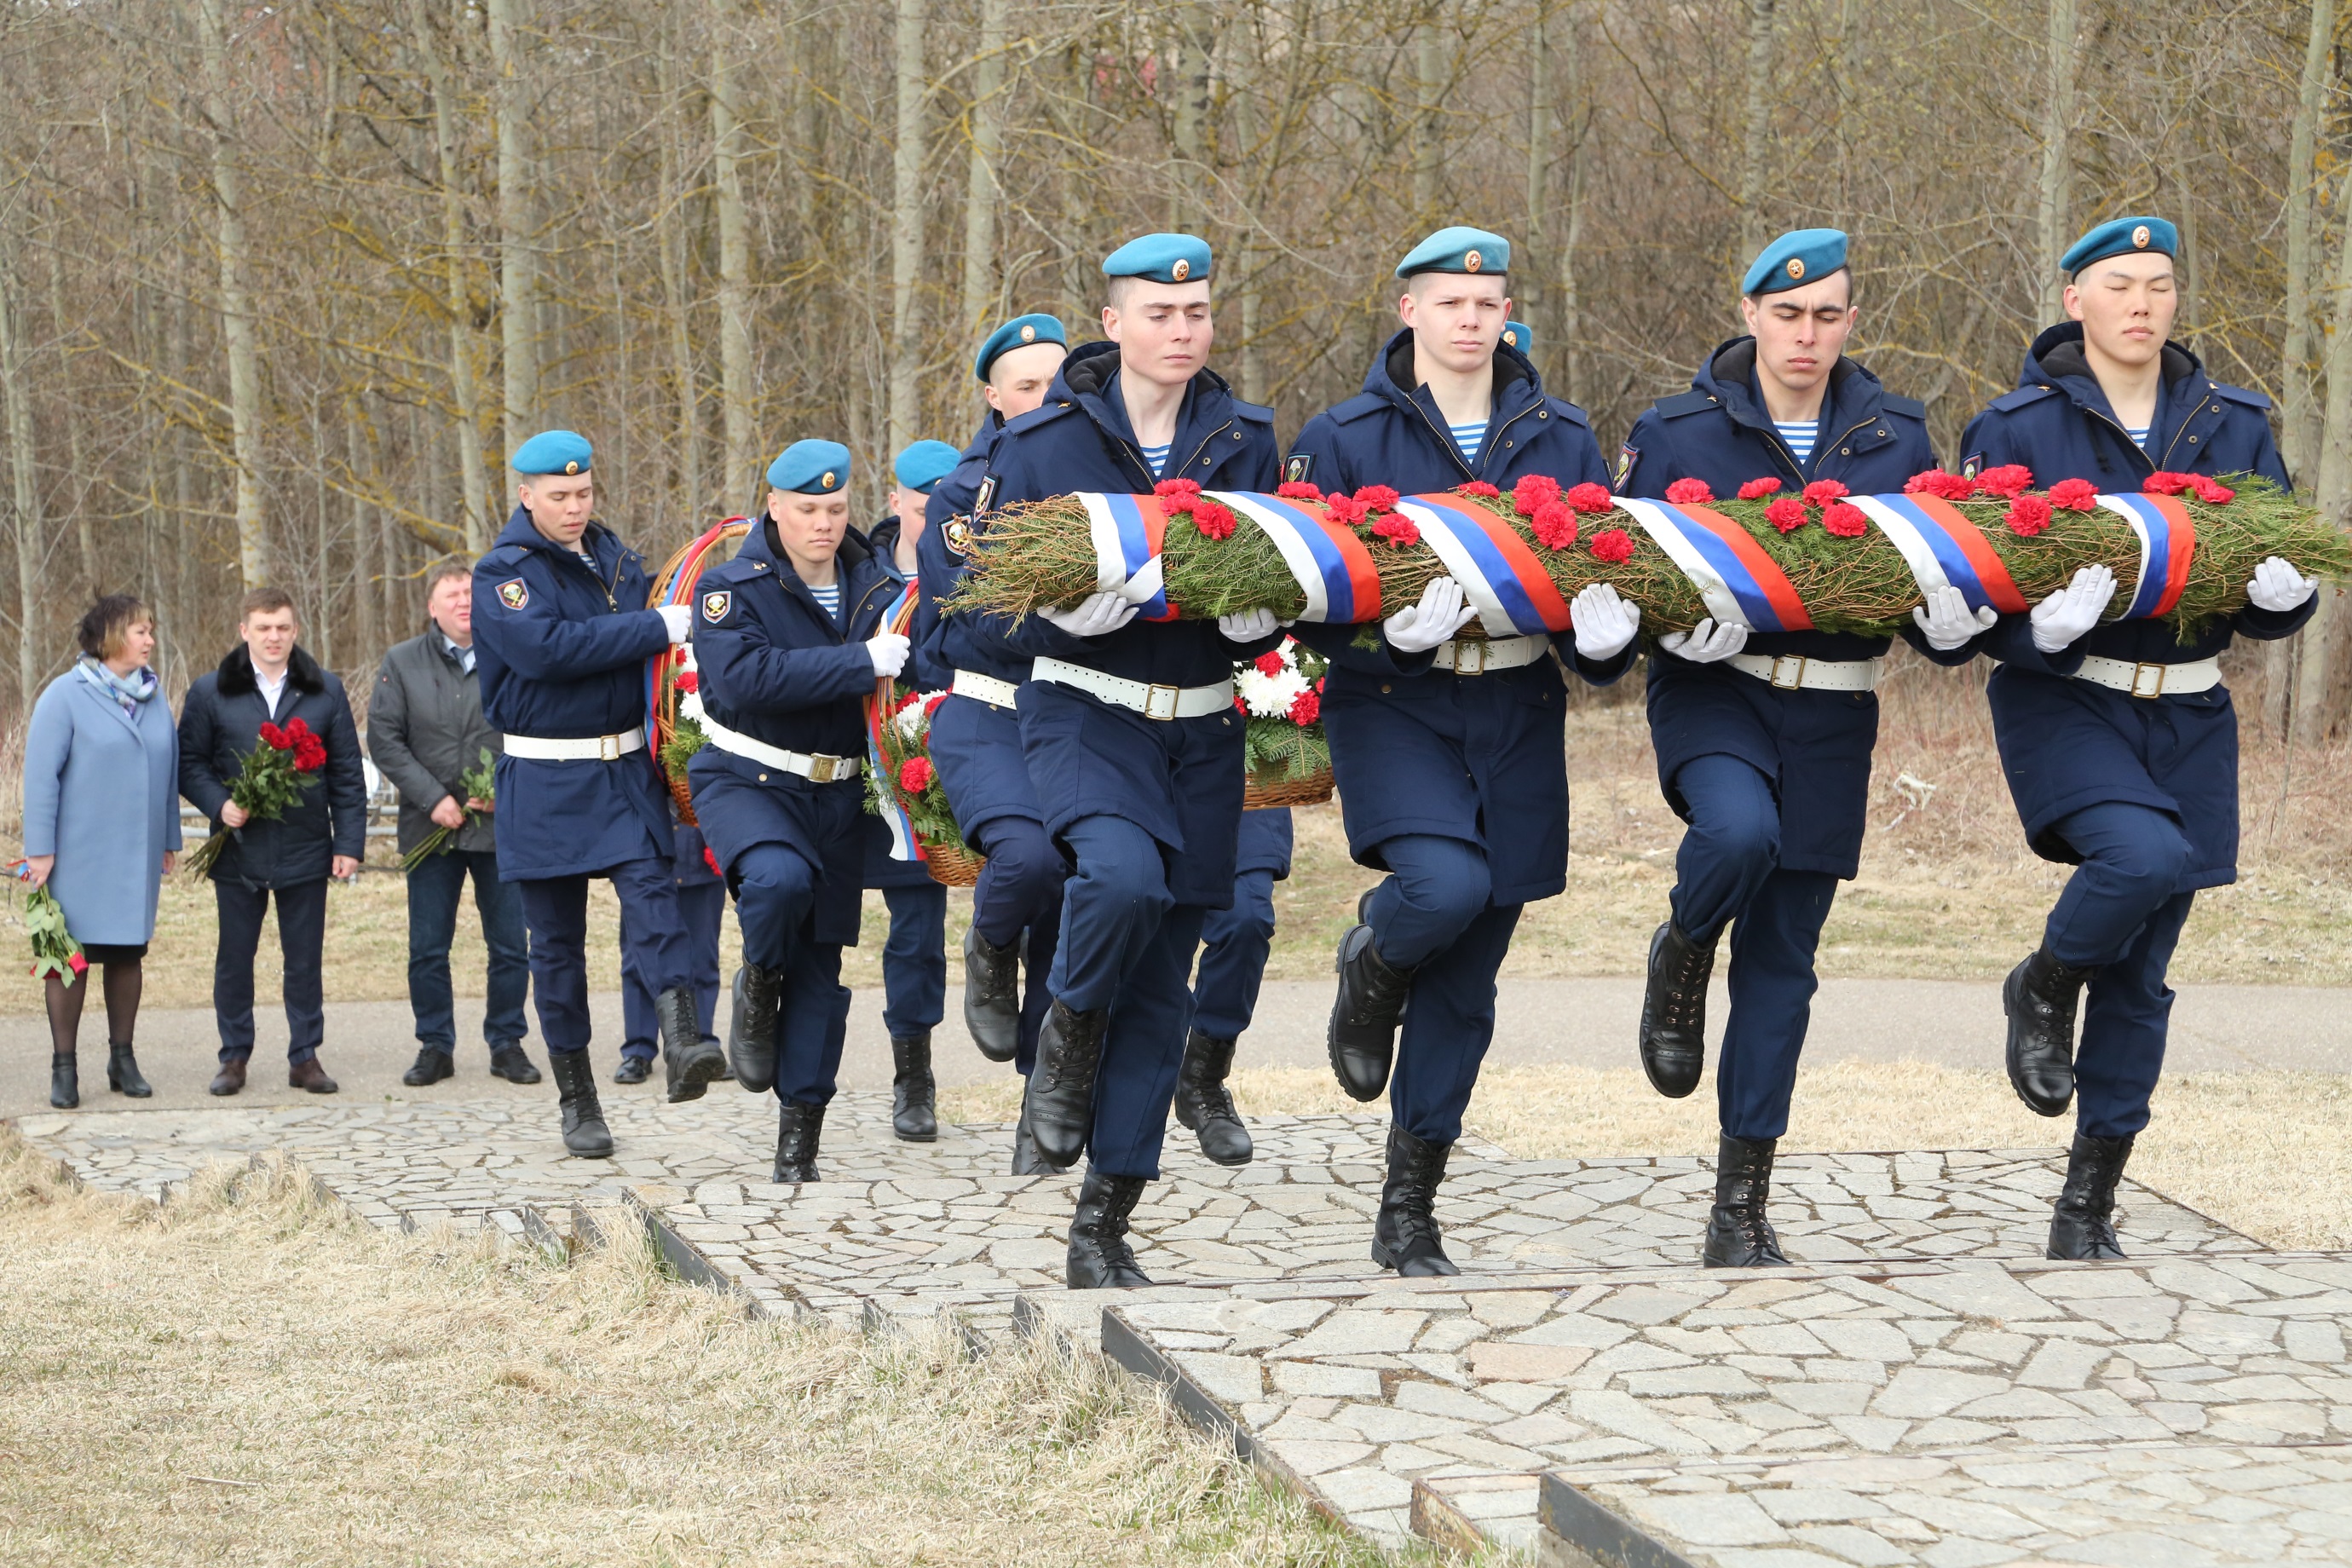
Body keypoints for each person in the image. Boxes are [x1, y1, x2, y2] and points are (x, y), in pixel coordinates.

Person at [1617, 228, 1980, 1268]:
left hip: (1832, 712)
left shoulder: (1895, 436)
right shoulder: (1678, 432)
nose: (1806, 334)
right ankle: (1685, 945)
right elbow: (1618, 568)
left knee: (1783, 965)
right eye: (1787, 314)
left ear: (1851, 320)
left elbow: (1934, 578)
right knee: (1737, 834)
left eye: (1826, 315)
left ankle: (1739, 1206)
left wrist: (1955, 624)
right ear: (1750, 316)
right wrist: (1663, 627)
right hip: (1716, 690)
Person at [1286, 226, 1641, 1276]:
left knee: (1472, 978)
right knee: (1444, 886)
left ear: (1508, 315)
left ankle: (1409, 1208)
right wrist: (1378, 635)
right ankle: (1374, 955)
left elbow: (1600, 575)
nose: (1470, 319)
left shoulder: (1560, 435)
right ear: (1410, 311)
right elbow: (1298, 592)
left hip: (1518, 707)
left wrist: (1607, 647)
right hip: (1394, 698)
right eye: (1450, 302)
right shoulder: (1344, 436)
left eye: (1488, 303)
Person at [1958, 216, 2315, 1260]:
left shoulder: (2233, 423)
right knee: (2143, 856)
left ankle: (2088, 1203)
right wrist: (2038, 629)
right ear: (2076, 300)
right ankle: (2042, 981)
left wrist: (2286, 598)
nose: (2143, 303)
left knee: (2145, 968)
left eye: (2160, 284)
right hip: (2068, 696)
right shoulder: (2018, 428)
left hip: (2191, 709)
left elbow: (2275, 577)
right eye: (2120, 285)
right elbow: (1968, 589)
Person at [970, 233, 1283, 1287]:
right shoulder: (1043, 443)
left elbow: (1273, 579)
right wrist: (1056, 614)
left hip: (1202, 729)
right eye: (1160, 313)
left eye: (1197, 312)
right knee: (1118, 878)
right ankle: (1064, 1033)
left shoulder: (1244, 438)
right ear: (1113, 324)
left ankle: (1103, 1226)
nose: (1182, 330)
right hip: (1086, 715)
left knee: (1161, 987)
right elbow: (980, 614)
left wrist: (1260, 620)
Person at [473, 429, 713, 1157]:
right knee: (556, 948)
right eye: (559, 496)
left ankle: (683, 1040)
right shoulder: (504, 573)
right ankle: (578, 1099)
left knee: (655, 900)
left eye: (582, 492)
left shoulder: (615, 559)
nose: (575, 506)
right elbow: (546, 651)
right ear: (526, 496)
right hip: (545, 778)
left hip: (623, 770)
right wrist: (652, 627)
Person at [693, 440, 905, 1181]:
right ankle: (757, 979)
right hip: (748, 779)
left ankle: (799, 1146)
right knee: (777, 882)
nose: (824, 523)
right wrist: (860, 662)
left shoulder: (879, 586)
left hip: (838, 792)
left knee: (821, 967)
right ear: (774, 507)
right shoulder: (730, 588)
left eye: (836, 508)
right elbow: (746, 679)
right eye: (808, 509)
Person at [915, 312, 1071, 1137]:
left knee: (1075, 904)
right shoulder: (962, 495)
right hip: (991, 712)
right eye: (1027, 385)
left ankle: (1043, 1108)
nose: (1045, 398)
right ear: (994, 397)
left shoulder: (1101, 479)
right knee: (1029, 857)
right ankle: (989, 945)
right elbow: (977, 612)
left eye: (1059, 383)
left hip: (1079, 716)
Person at [178, 588, 366, 1097]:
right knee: (234, 958)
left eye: (282, 627)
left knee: (304, 960)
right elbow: (189, 763)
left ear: (295, 630)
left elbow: (347, 774)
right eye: (263, 628)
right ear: (244, 631)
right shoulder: (211, 691)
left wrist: (349, 844)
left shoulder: (324, 690)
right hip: (238, 849)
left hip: (306, 846)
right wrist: (220, 804)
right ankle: (233, 1056)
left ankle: (305, 1056)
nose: (273, 637)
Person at [370, 560, 537, 1088]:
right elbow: (385, 741)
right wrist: (432, 798)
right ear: (432, 606)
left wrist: (505, 790)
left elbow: (534, 728)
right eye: (453, 595)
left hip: (499, 828)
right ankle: (435, 1046)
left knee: (509, 945)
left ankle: (507, 1043)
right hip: (430, 829)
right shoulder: (401, 662)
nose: (464, 602)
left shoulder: (510, 655)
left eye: (470, 593)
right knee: (428, 947)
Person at [21, 595, 180, 1110]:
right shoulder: (64, 696)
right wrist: (39, 851)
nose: (150, 640)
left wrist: (169, 839)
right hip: (77, 856)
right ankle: (64, 1067)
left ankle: (122, 1059)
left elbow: (168, 773)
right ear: (111, 637)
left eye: (150, 630)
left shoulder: (153, 697)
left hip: (136, 855)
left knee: (126, 954)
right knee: (69, 959)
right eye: (140, 631)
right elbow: (40, 778)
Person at [862, 439, 960, 1141]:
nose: (936, 525)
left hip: (955, 763)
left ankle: (919, 1076)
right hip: (872, 772)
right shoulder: (859, 575)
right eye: (924, 510)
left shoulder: (973, 569)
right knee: (901, 931)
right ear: (896, 502)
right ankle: (909, 1075)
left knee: (926, 934)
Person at [1177, 807, 1291, 1165]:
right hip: (1136, 786)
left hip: (1243, 794)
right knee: (1126, 911)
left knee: (1247, 918)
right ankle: (1069, 1084)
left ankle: (1202, 1080)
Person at [614, 816, 725, 1087]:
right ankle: (638, 1050)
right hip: (643, 858)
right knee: (638, 961)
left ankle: (701, 1044)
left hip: (701, 854)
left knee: (702, 959)